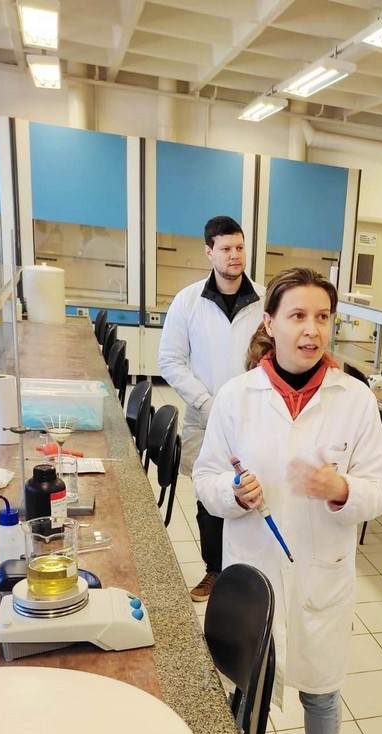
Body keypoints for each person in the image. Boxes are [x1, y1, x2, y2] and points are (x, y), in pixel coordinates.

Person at [193, 267, 382, 734]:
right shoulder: (237, 397)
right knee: (248, 684)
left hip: (321, 575)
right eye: (298, 315)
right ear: (270, 322)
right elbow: (206, 476)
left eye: (322, 317)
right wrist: (233, 493)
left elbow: (378, 491)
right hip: (255, 572)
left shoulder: (355, 400)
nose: (312, 330)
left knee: (321, 692)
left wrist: (341, 488)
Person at [158, 216, 265, 601]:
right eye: (225, 248)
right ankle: (215, 571)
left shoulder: (266, 299)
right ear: (209, 252)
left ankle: (252, 571)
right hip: (205, 416)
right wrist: (207, 402)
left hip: (257, 417)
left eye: (239, 247)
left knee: (255, 492)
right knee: (209, 496)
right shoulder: (188, 301)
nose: (235, 255)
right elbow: (169, 360)